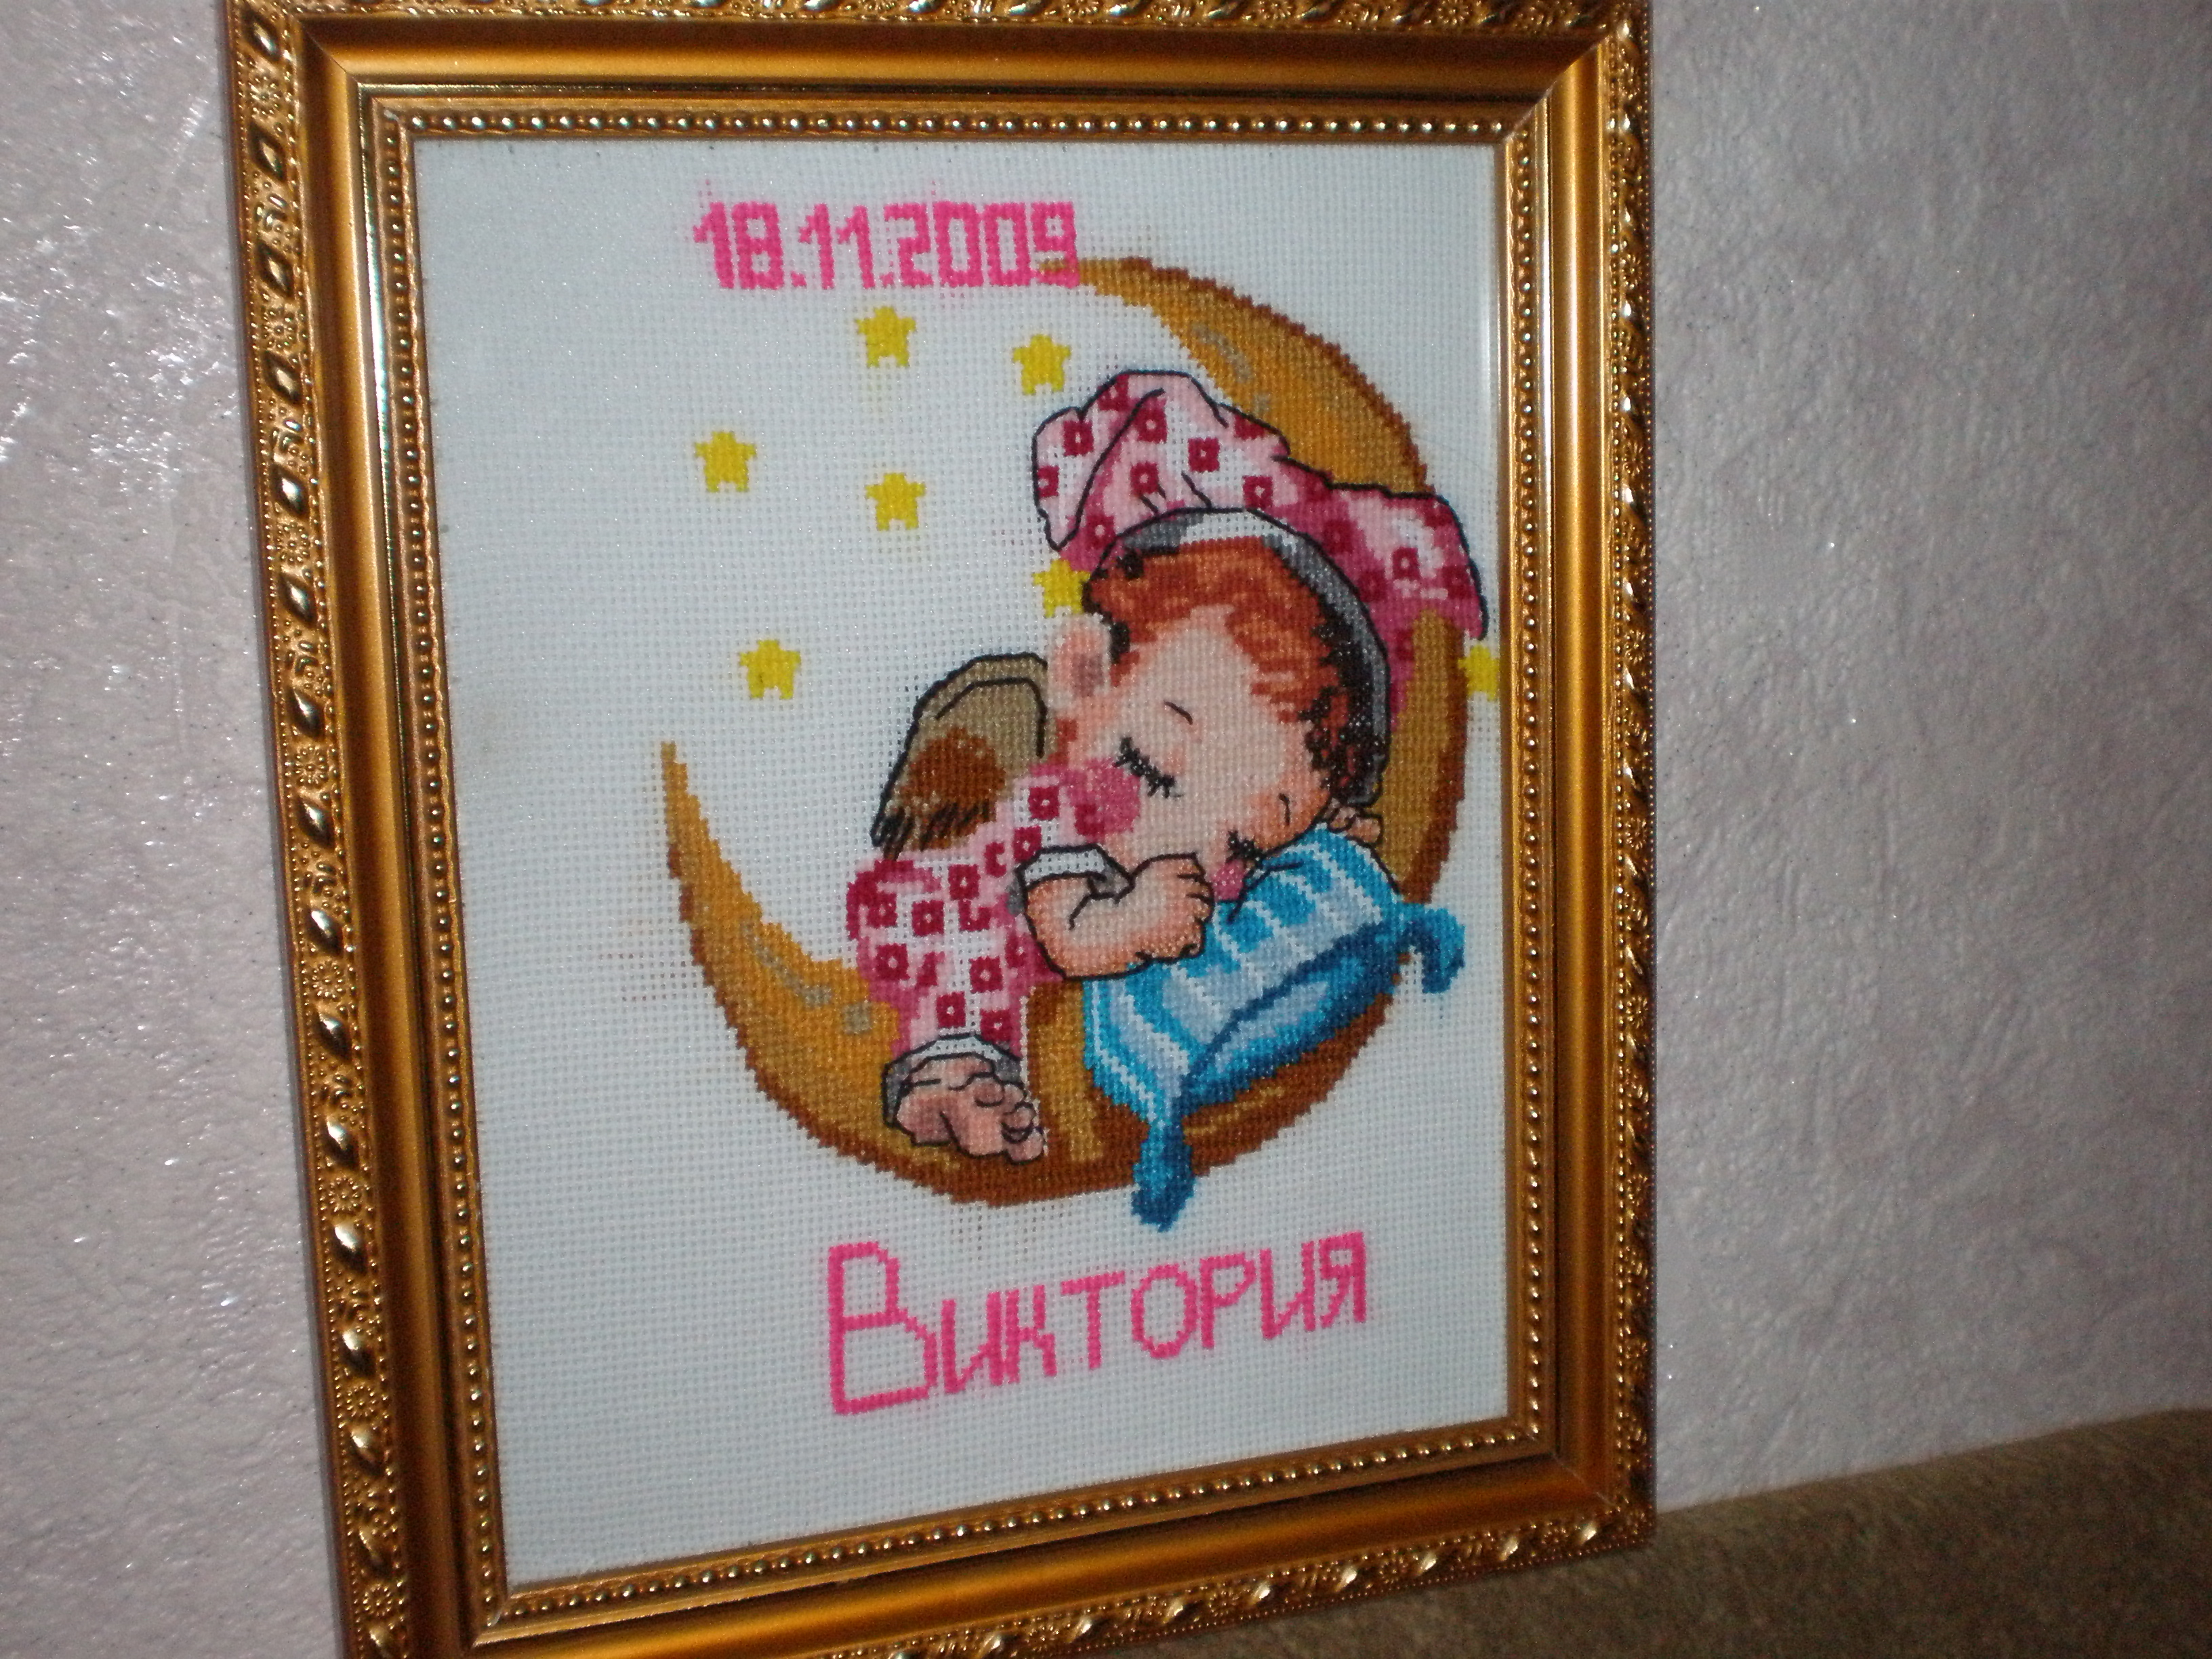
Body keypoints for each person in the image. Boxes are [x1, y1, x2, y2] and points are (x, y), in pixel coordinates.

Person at [846, 373, 1486, 1225]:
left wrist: (1303, 837)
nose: (1188, 836)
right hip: (983, 915)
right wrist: (1128, 924)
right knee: (970, 959)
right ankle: (950, 1070)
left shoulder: (1199, 842)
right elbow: (1065, 931)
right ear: (1083, 675)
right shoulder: (1070, 815)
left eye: (1248, 838)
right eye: (1150, 765)